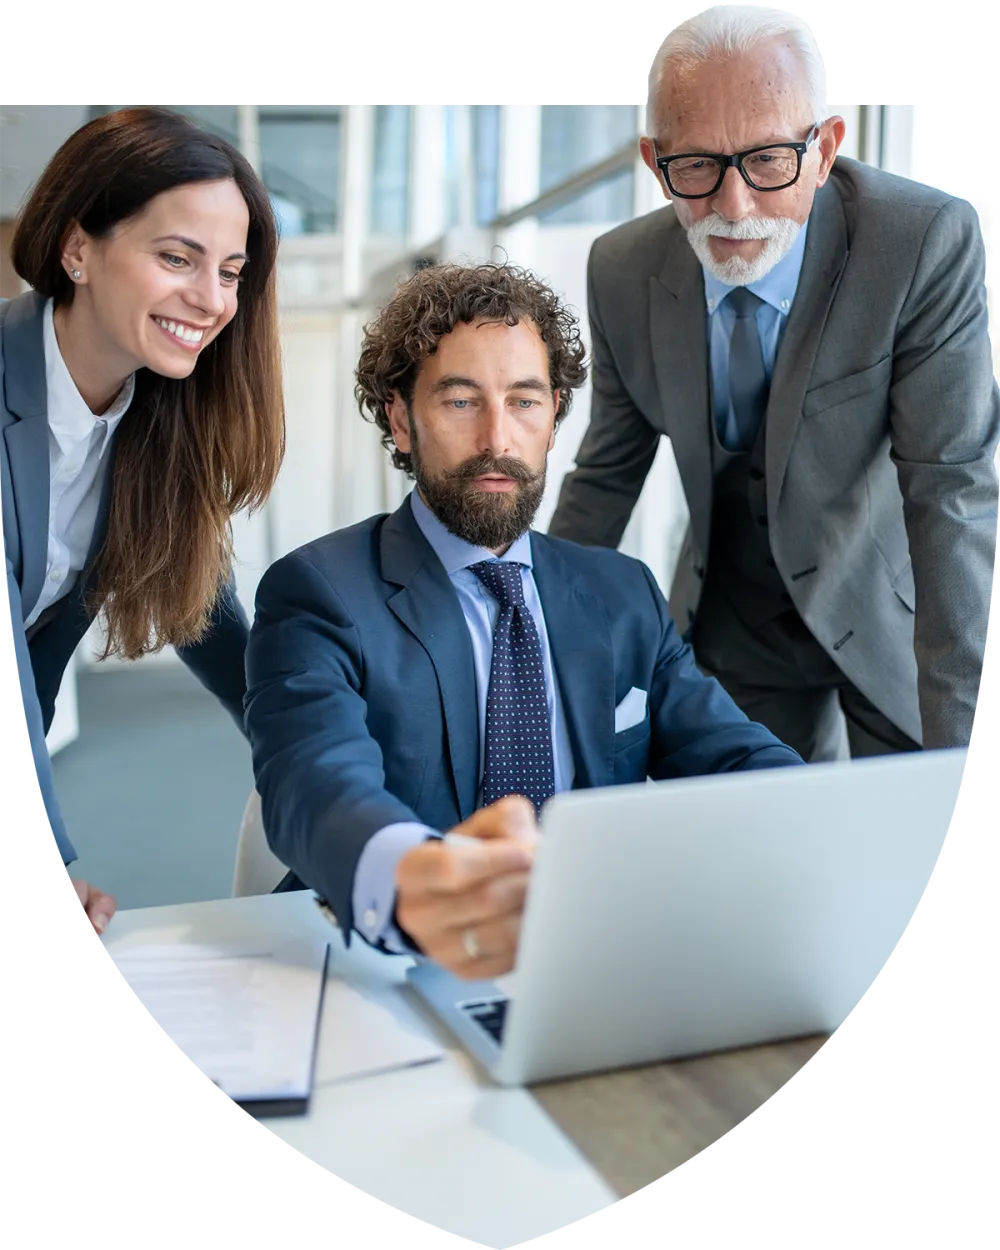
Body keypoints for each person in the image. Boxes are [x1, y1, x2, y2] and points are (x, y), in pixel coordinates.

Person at [244, 262, 802, 983]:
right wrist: (417, 881)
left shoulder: (620, 591)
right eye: (459, 401)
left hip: (593, 960)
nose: (497, 439)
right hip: (396, 964)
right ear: (400, 418)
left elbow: (734, 757)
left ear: (554, 414)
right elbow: (312, 782)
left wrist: (824, 822)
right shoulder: (321, 593)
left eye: (524, 401)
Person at [547, 6, 1000, 762]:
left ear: (824, 150)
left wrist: (962, 752)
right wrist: (530, 646)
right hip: (734, 626)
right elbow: (603, 481)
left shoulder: (922, 242)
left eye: (767, 161)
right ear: (653, 160)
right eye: (695, 166)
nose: (733, 208)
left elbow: (953, 496)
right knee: (756, 857)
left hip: (892, 613)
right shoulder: (620, 271)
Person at [2, 107, 285, 931]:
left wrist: (327, 746)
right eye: (176, 257)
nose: (211, 298)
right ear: (78, 248)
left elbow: (208, 613)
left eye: (231, 271)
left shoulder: (147, 419)